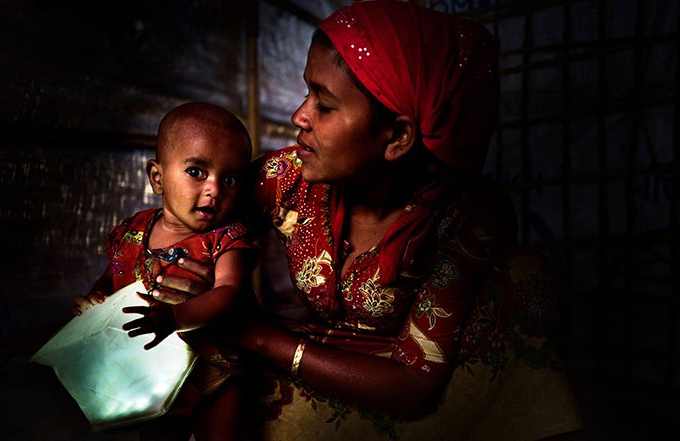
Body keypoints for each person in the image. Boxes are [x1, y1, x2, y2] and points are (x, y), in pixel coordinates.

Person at [151, 1, 585, 440]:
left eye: (324, 103)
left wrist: (259, 336)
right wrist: (178, 282)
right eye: (307, 93)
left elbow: (415, 385)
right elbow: (187, 227)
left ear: (396, 137)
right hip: (313, 354)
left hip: (421, 391)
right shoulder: (288, 178)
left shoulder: (465, 219)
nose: (299, 116)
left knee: (527, 274)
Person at [73, 102, 257, 441]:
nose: (214, 189)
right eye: (197, 171)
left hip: (214, 369)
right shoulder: (132, 230)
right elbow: (113, 274)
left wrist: (175, 317)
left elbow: (229, 292)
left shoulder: (227, 238)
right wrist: (97, 299)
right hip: (154, 372)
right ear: (157, 177)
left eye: (229, 178)